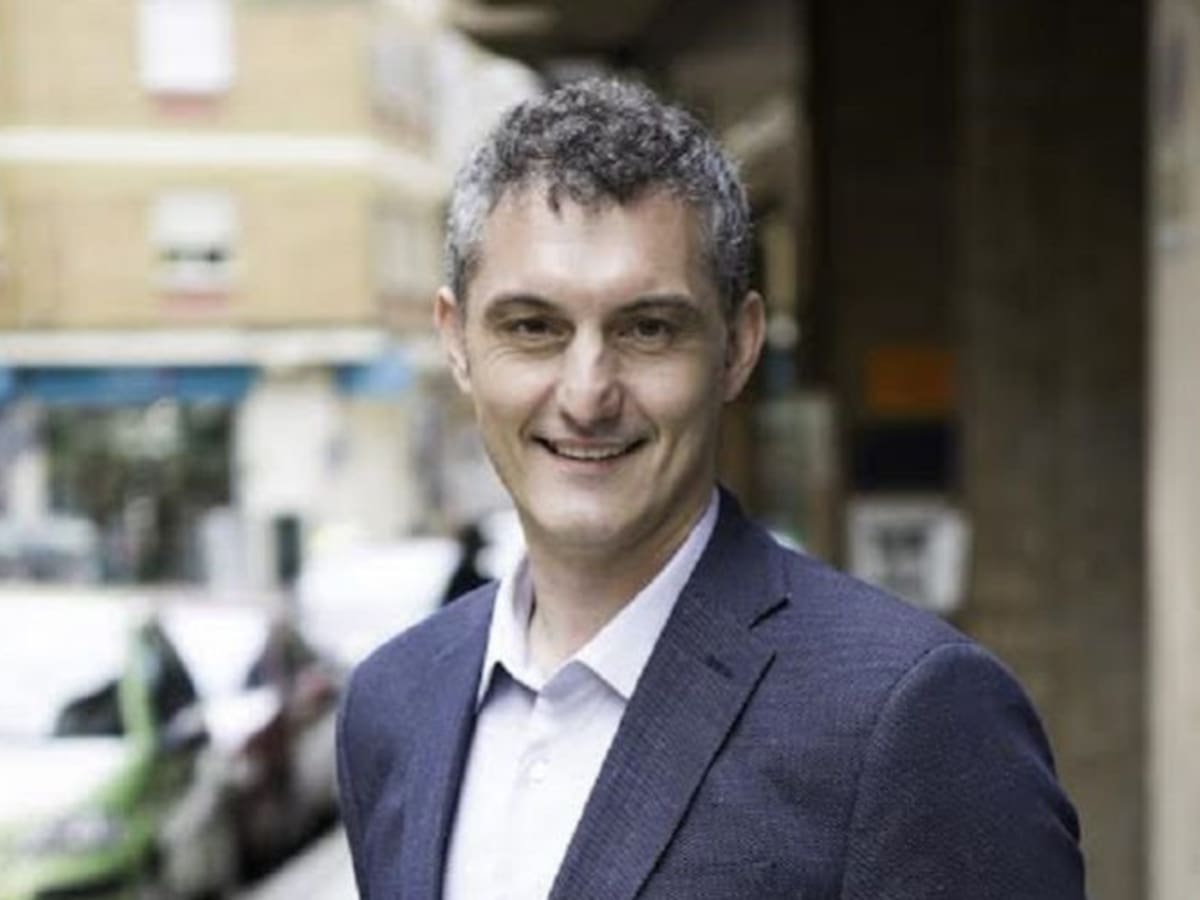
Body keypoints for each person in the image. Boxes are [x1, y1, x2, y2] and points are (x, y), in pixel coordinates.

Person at [337, 78, 1086, 900]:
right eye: (534, 328)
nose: (587, 395)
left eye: (647, 329)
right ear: (455, 342)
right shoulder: (393, 704)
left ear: (738, 347)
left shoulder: (913, 717)